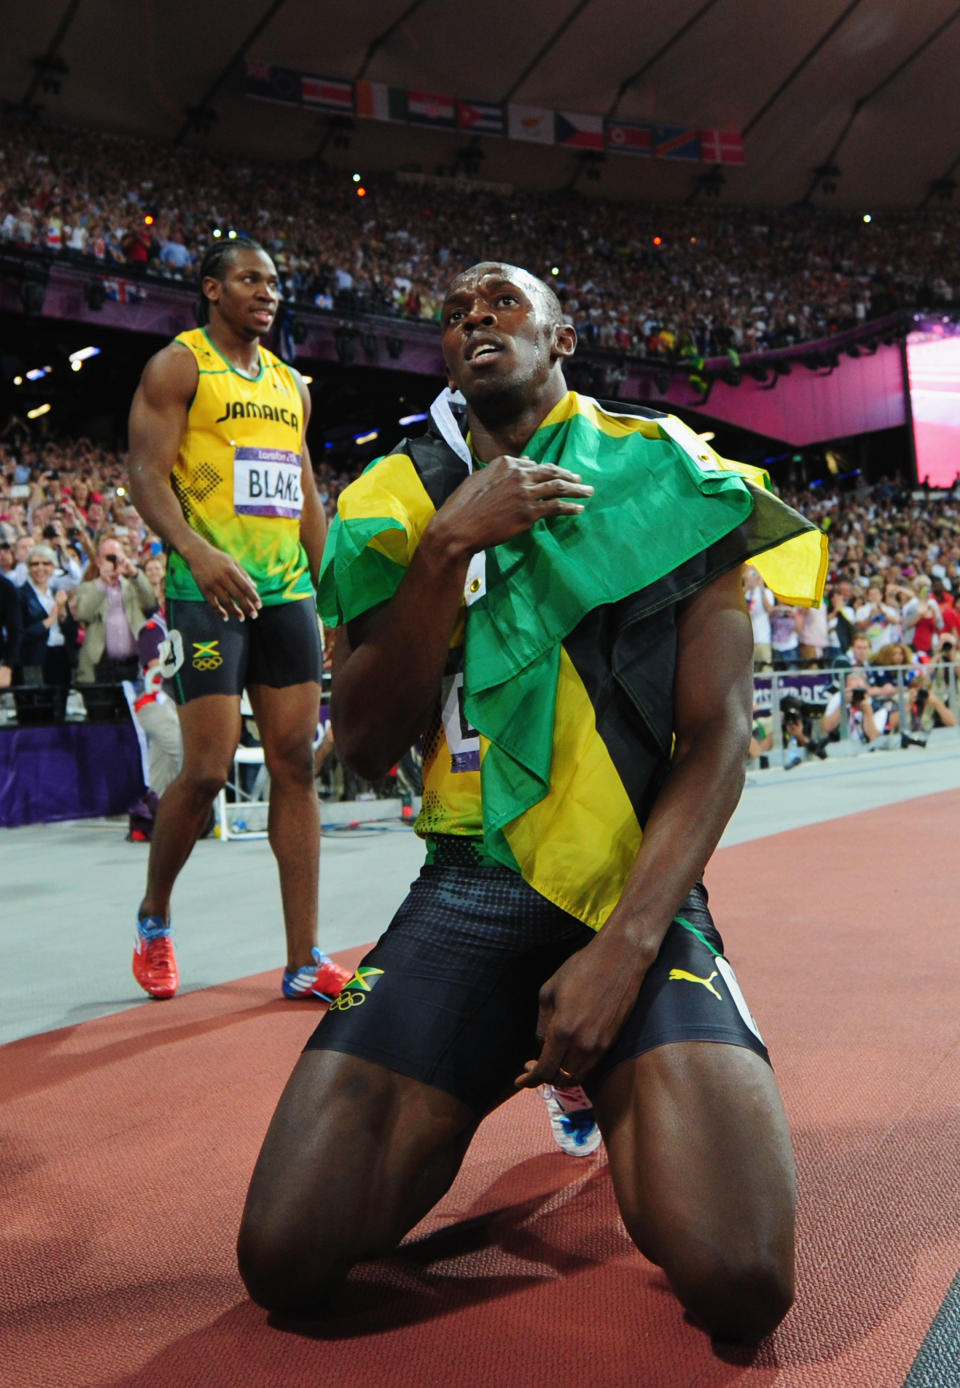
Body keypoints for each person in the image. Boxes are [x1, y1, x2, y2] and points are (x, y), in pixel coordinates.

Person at [238, 262, 826, 1342]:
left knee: (743, 1276)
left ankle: (605, 1057)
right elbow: (362, 748)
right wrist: (450, 546)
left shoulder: (667, 474)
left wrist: (626, 946)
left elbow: (722, 736)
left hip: (632, 897)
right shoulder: (392, 501)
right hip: (465, 891)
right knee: (286, 1256)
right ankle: (497, 1048)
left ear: (563, 335)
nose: (474, 319)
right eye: (456, 312)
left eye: (502, 302)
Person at [126, 235, 350, 1005]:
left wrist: (333, 593)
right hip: (207, 587)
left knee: (295, 764)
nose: (269, 291)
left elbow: (306, 493)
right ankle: (155, 919)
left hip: (285, 592)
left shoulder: (293, 384)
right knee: (209, 769)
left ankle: (303, 958)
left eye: (276, 282)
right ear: (212, 288)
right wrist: (194, 549)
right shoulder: (180, 365)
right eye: (252, 279)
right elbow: (144, 473)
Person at [71, 536, 157, 683]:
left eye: (116, 557)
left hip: (134, 663)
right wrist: (103, 584)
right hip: (100, 665)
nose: (113, 562)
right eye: (108, 558)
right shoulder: (88, 588)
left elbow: (151, 604)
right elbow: (83, 614)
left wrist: (134, 573)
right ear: (98, 561)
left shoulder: (133, 585)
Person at [18, 544, 77, 686]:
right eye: (35, 564)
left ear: (53, 567)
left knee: (60, 704)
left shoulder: (58, 593)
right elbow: (19, 635)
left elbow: (72, 633)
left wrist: (62, 611)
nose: (40, 568)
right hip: (34, 660)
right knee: (37, 705)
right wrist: (50, 620)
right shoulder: (20, 595)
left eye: (46, 563)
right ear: (28, 568)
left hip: (61, 656)